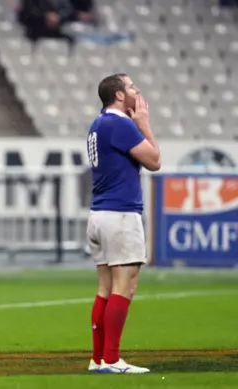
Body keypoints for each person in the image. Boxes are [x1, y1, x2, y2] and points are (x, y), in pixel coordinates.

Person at [86, 73, 160, 374]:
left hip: (99, 214)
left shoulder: (98, 123)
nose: (136, 90)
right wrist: (143, 122)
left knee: (105, 287)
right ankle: (113, 359)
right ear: (118, 95)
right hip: (120, 214)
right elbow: (154, 161)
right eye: (131, 87)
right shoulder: (120, 124)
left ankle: (99, 358)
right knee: (125, 286)